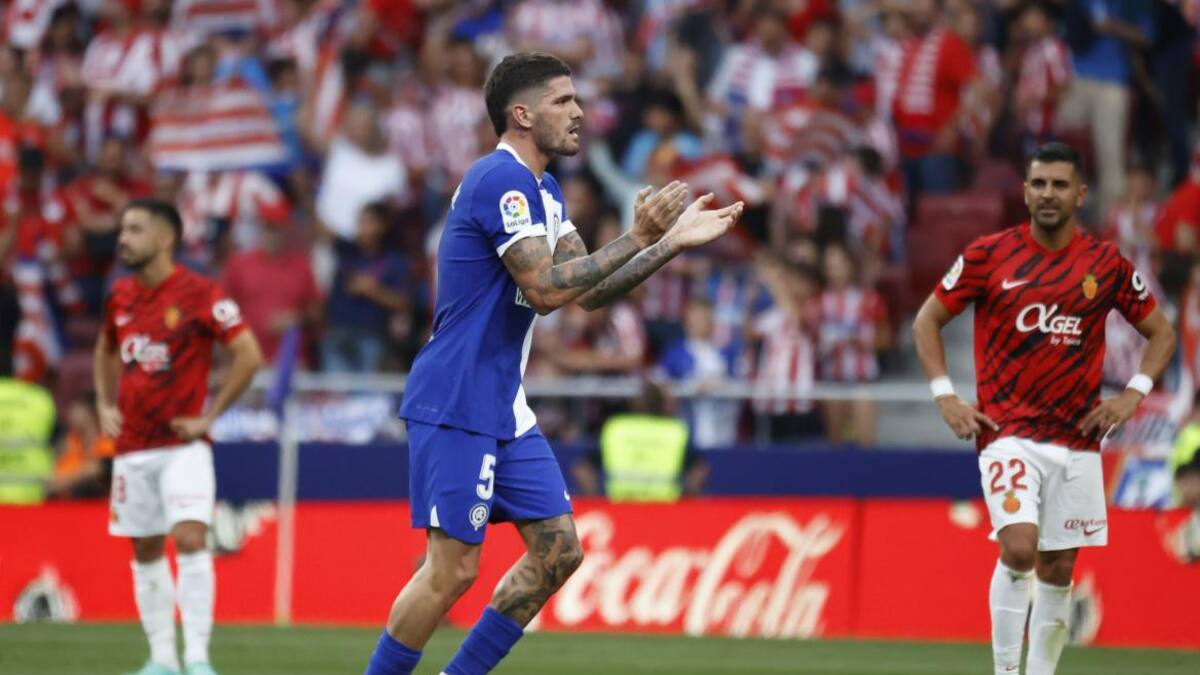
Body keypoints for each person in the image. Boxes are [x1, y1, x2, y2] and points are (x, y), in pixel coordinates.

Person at [372, 52, 743, 675]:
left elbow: (588, 290)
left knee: (558, 552)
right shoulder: (498, 180)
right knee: (453, 570)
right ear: (522, 114)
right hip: (457, 395)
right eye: (563, 102)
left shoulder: (543, 189)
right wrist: (639, 236)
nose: (580, 113)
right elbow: (545, 290)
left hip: (502, 404)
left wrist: (670, 242)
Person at [912, 142, 1175, 675]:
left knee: (1058, 567)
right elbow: (926, 320)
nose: (1047, 194)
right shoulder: (989, 254)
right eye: (1038, 184)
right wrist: (945, 394)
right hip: (1006, 432)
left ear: (1080, 193)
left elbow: (1161, 332)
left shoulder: (1105, 264)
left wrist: (1132, 394)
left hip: (1077, 438)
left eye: (1059, 185)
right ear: (1024, 191)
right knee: (1020, 547)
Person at [93, 199, 264, 675]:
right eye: (122, 228)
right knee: (145, 549)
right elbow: (105, 348)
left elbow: (248, 354)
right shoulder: (120, 296)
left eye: (134, 229)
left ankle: (198, 659)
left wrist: (210, 416)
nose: (122, 237)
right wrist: (105, 404)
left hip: (183, 446)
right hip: (132, 449)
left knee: (190, 537)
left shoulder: (200, 293)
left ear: (165, 238)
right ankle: (163, 660)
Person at [572, 379, 709, 501]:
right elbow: (698, 472)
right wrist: (688, 503)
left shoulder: (616, 428)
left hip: (620, 510)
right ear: (663, 404)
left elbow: (583, 469)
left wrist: (596, 501)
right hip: (665, 512)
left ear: (635, 404)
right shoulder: (675, 431)